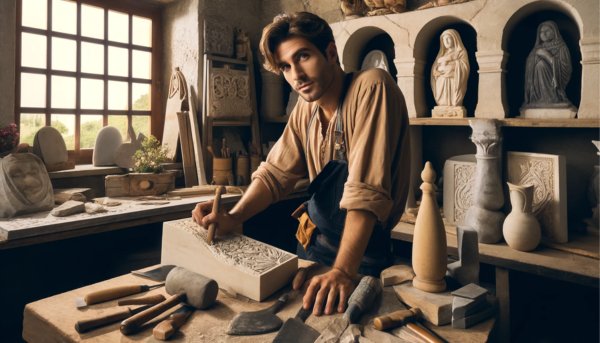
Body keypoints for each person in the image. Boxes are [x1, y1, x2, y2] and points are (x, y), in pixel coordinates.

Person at [192, 12, 411, 317]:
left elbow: (366, 191)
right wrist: (233, 215)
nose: (296, 75)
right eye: (285, 66)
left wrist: (344, 272)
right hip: (311, 249)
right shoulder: (305, 108)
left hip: (359, 259)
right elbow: (274, 175)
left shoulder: (371, 87)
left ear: (331, 53)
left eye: (303, 56)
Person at [523, 21, 572, 108]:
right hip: (537, 83)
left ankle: (553, 97)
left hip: (554, 81)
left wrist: (548, 56)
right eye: (541, 32)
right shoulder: (537, 48)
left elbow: (566, 67)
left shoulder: (561, 47)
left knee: (541, 64)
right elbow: (529, 65)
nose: (544, 34)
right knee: (539, 64)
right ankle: (539, 98)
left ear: (554, 31)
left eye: (547, 31)